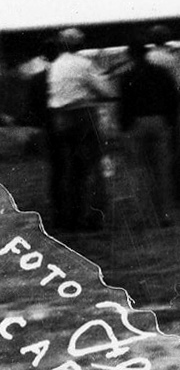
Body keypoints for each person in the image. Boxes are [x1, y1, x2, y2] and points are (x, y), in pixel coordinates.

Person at [46, 28, 116, 234]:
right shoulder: (84, 64)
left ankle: (72, 217)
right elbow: (106, 91)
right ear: (80, 44)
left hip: (59, 119)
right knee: (95, 166)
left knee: (72, 170)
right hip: (82, 116)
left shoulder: (55, 65)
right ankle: (95, 217)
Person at [117, 41, 180, 226]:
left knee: (139, 171)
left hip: (137, 124)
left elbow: (123, 106)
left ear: (131, 56)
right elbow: (175, 98)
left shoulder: (126, 76)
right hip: (159, 121)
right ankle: (164, 215)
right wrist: (170, 121)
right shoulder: (161, 73)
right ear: (146, 54)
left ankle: (142, 216)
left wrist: (124, 127)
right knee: (161, 170)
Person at [146, 24, 180, 206]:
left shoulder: (147, 57)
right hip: (170, 111)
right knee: (175, 151)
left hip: (150, 110)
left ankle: (157, 196)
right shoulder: (171, 59)